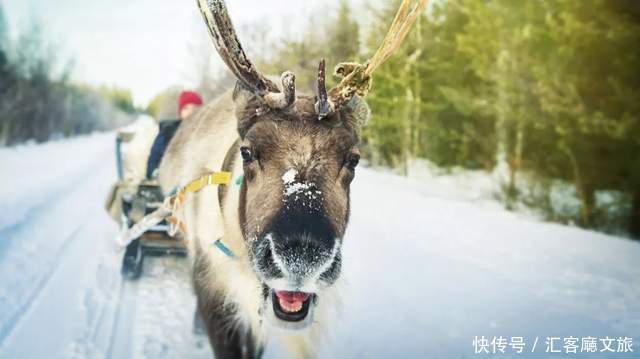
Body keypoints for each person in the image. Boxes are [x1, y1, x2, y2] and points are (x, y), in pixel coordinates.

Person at [146, 91, 203, 179]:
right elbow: (154, 160)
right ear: (180, 112)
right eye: (186, 108)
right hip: (171, 181)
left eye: (195, 108)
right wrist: (156, 173)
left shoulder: (205, 133)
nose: (191, 112)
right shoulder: (168, 132)